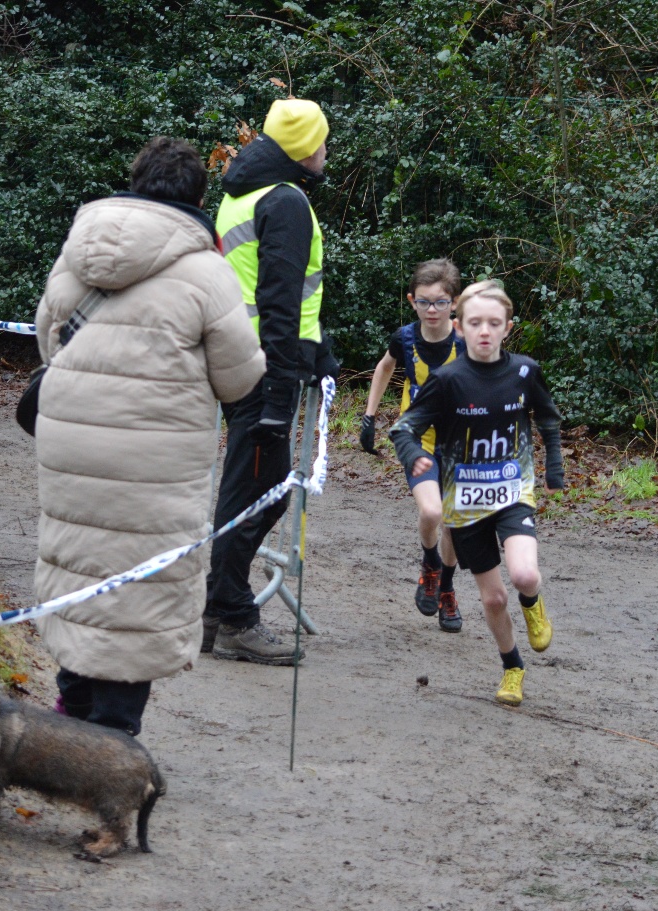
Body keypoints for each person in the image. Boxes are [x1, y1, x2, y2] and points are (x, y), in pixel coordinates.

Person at [33, 137, 265, 735]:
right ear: (197, 195)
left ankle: (70, 711)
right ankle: (112, 735)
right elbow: (238, 377)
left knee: (81, 564)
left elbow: (47, 336)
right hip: (155, 454)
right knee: (140, 582)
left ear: (134, 181)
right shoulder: (205, 269)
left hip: (71, 439)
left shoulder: (77, 247)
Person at [204, 98, 335, 665]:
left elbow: (274, 288)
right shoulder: (286, 202)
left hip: (245, 359)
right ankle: (232, 614)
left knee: (248, 488)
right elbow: (278, 300)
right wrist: (283, 389)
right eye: (324, 141)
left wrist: (318, 347)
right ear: (306, 148)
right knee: (260, 492)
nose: (328, 150)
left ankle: (218, 609)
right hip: (264, 369)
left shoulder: (241, 194)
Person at [390, 280, 565, 706]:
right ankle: (512, 668)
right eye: (475, 323)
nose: (484, 331)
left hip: (512, 491)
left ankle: (534, 603)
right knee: (493, 596)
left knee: (523, 576)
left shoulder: (524, 371)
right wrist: (414, 454)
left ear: (508, 327)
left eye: (494, 323)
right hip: (465, 504)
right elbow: (405, 426)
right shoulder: (447, 380)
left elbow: (548, 416)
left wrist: (554, 466)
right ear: (460, 328)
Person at [359, 258, 466, 631]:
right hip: (416, 440)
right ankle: (429, 562)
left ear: (454, 303)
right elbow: (385, 367)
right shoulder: (404, 339)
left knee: (455, 522)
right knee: (433, 513)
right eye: (423, 302)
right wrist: (370, 416)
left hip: (459, 444)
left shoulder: (466, 343)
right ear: (411, 301)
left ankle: (447, 590)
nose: (431, 310)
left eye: (439, 302)